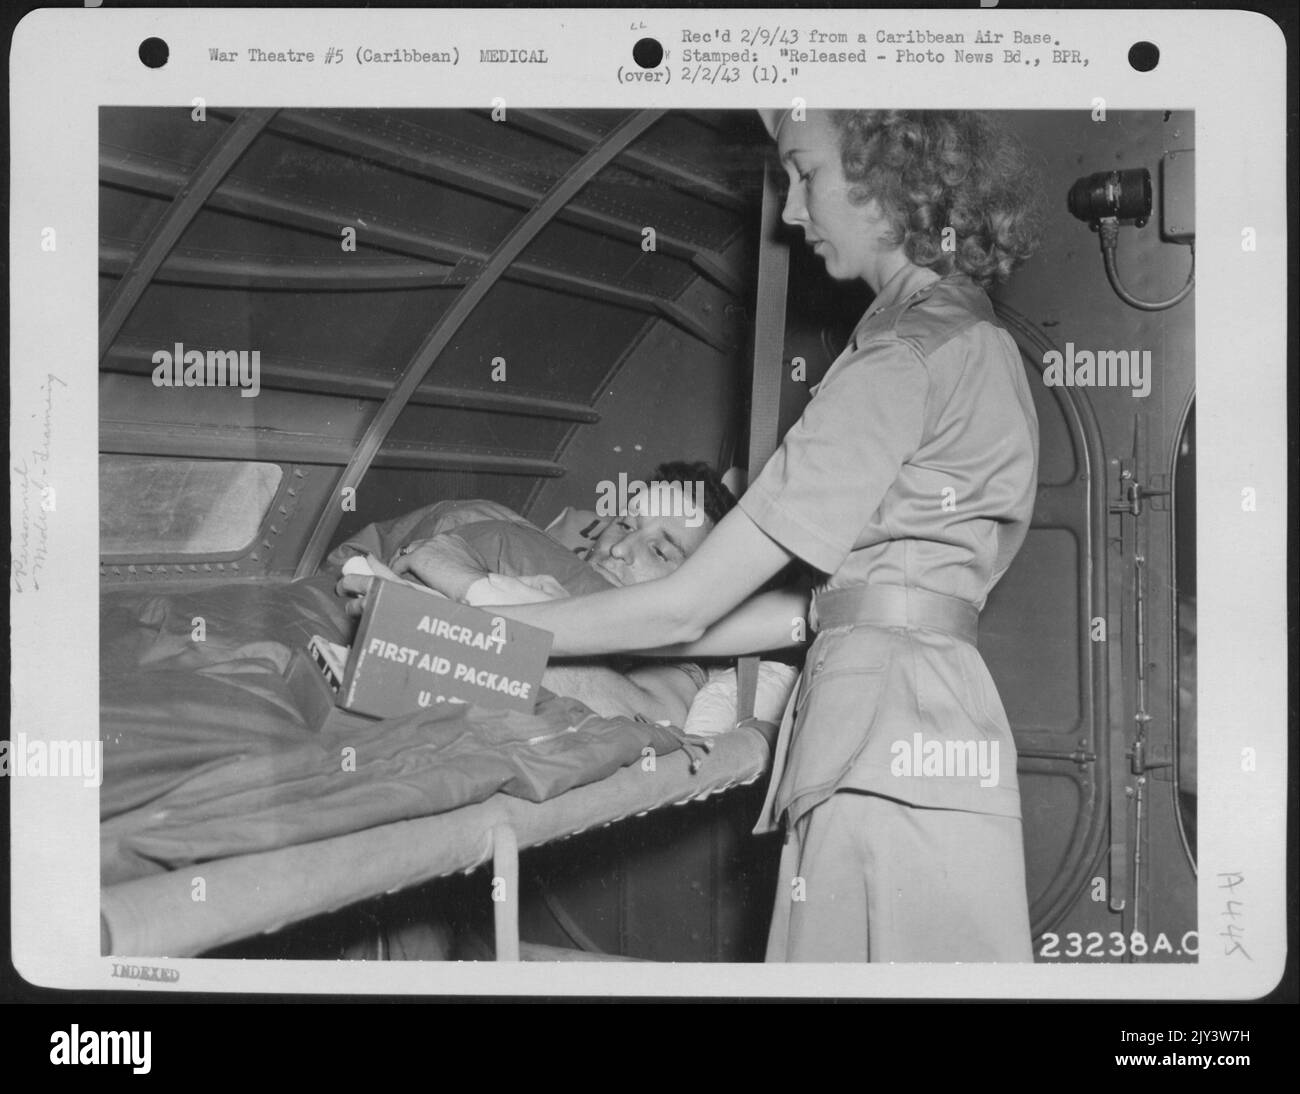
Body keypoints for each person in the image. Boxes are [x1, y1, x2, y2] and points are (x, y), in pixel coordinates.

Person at [386, 110, 1042, 962]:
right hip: (945, 724)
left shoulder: (900, 360)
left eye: (805, 175)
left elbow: (684, 609)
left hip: (879, 741)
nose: (792, 213)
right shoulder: (975, 340)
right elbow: (803, 617)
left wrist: (484, 625)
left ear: (892, 176)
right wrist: (564, 638)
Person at [339, 461, 737, 726]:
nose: (620, 549)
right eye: (626, 525)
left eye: (659, 550)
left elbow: (648, 717)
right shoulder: (544, 559)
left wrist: (451, 609)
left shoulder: (684, 657)